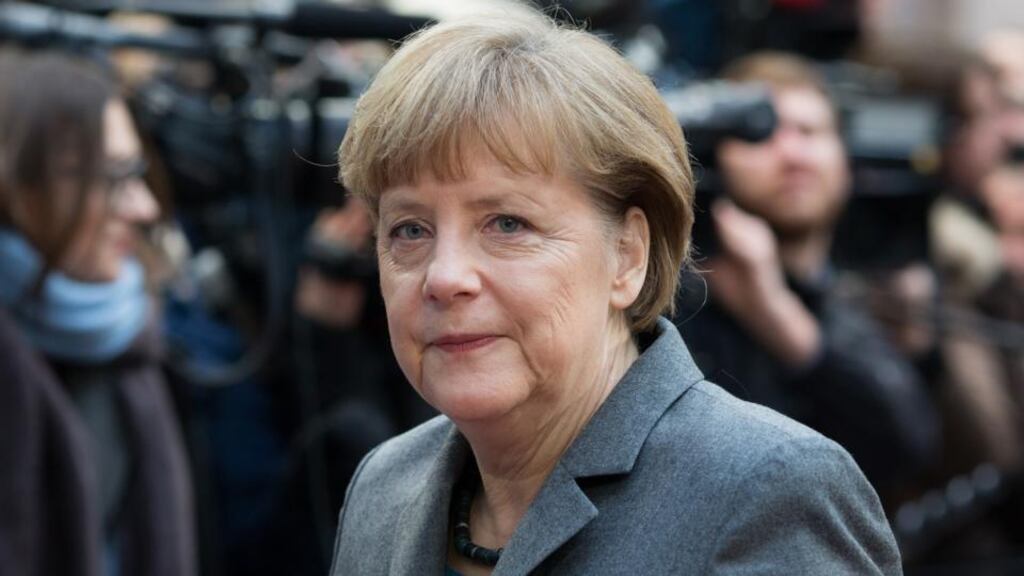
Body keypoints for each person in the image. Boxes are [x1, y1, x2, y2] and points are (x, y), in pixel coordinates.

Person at [328, 7, 901, 575]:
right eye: (409, 230)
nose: (445, 277)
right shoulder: (385, 486)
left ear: (628, 255)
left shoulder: (766, 493)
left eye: (507, 224)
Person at [672, 51, 939, 497]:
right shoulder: (676, 297)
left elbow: (909, 446)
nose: (792, 154)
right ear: (715, 160)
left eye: (810, 132)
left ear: (846, 161)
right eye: (762, 133)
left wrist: (774, 314)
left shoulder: (851, 296)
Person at [0, 50, 195, 576]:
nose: (143, 207)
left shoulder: (124, 336)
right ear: (19, 186)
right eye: (111, 178)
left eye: (137, 174)